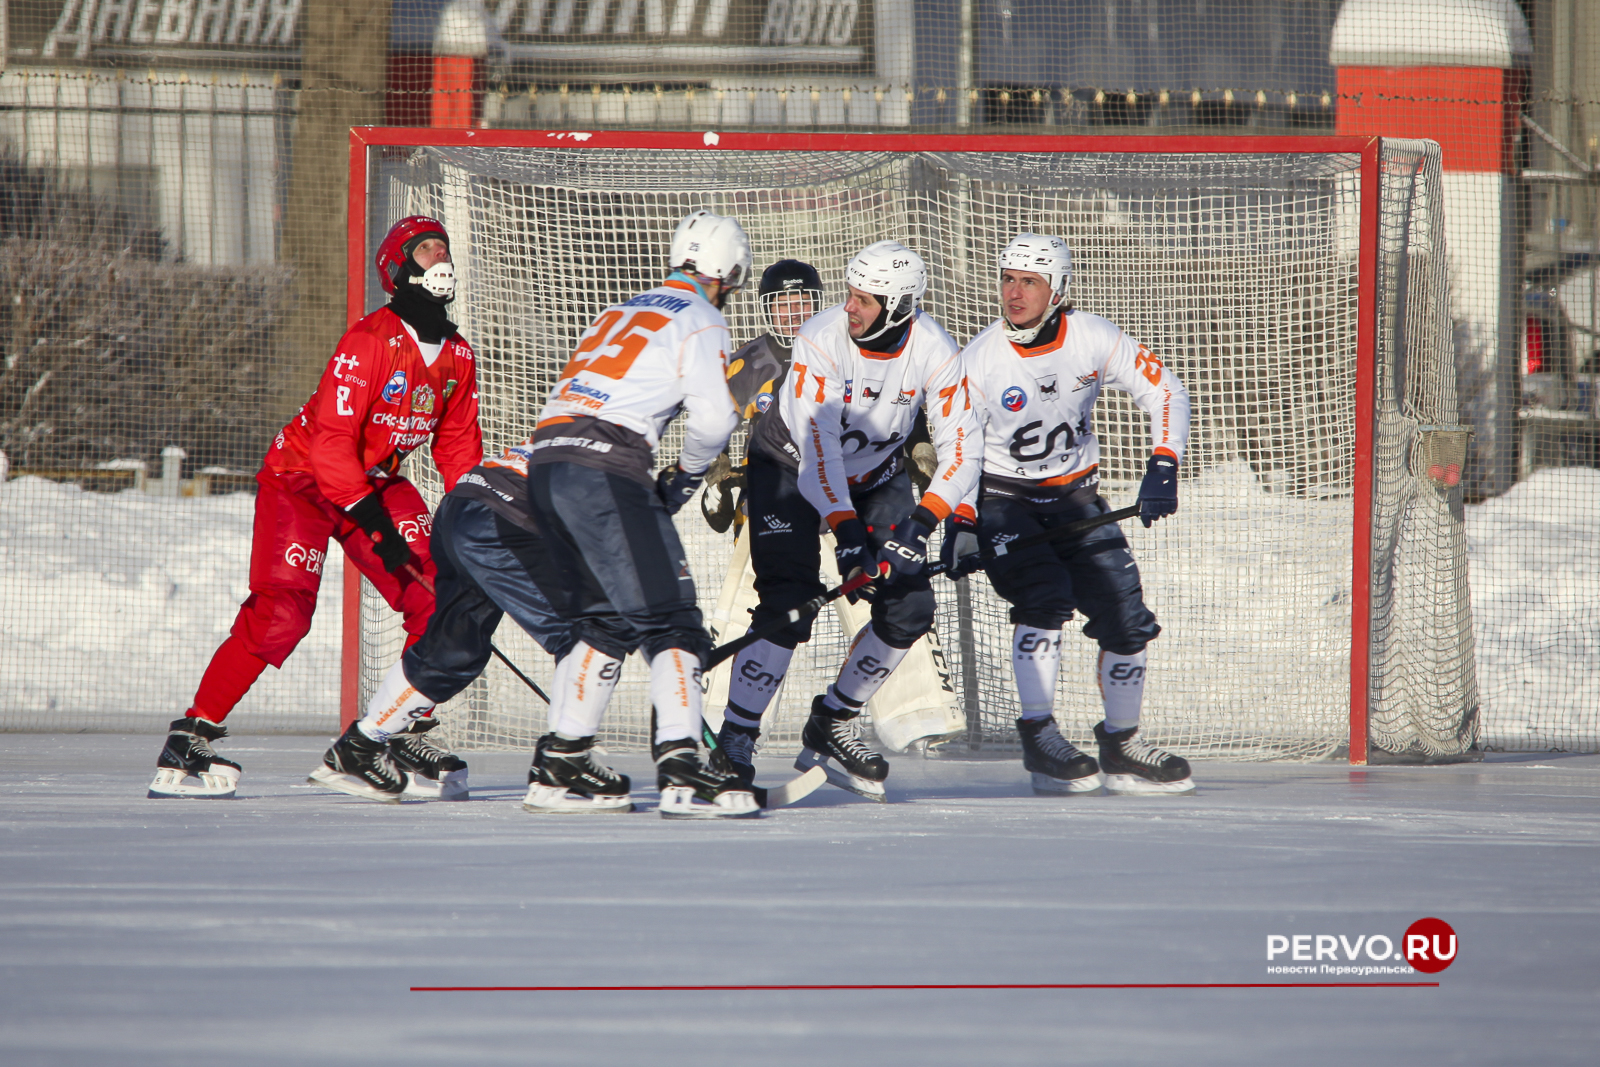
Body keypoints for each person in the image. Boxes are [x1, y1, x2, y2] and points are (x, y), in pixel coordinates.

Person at [147, 216, 482, 799]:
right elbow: (330, 443)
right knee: (283, 612)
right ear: (399, 268)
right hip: (301, 480)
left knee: (437, 595)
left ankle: (399, 731)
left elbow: (457, 446)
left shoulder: (458, 354)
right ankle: (191, 737)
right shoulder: (370, 340)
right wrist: (374, 524)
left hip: (375, 481)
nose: (440, 257)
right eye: (426, 248)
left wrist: (471, 520)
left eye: (443, 247)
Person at [520, 209, 753, 818]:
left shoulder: (618, 309)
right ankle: (683, 769)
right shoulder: (702, 317)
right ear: (727, 272)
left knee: (605, 621)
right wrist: (688, 474)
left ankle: (561, 764)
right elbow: (715, 420)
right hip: (605, 468)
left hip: (545, 466)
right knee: (672, 620)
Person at [729, 240, 980, 801]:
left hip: (876, 474)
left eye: (864, 299)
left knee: (910, 606)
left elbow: (964, 449)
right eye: (849, 293)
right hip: (788, 467)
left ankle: (832, 721)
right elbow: (819, 454)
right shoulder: (821, 339)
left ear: (899, 306)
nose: (850, 307)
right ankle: (735, 739)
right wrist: (847, 536)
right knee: (789, 601)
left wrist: (922, 526)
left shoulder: (935, 349)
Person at [948, 233, 1194, 795]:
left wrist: (1164, 463)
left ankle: (1122, 744)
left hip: (1076, 500)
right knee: (1045, 596)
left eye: (1029, 282)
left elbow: (1165, 392)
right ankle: (1039, 737)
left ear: (1057, 289)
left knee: (1126, 618)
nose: (1014, 293)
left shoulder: (1093, 336)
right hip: (1004, 501)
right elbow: (958, 450)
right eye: (1008, 279)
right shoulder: (979, 359)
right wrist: (960, 522)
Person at [308, 437, 580, 803]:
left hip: (463, 505)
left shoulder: (581, 423)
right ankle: (563, 764)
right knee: (589, 637)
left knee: (455, 650)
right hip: (502, 518)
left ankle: (362, 745)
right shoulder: (621, 444)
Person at [698, 258, 824, 532]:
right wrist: (718, 475)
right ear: (767, 308)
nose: (793, 313)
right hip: (763, 493)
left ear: (817, 304)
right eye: (783, 304)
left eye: (802, 302)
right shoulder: (744, 364)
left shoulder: (843, 354)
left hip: (832, 487)